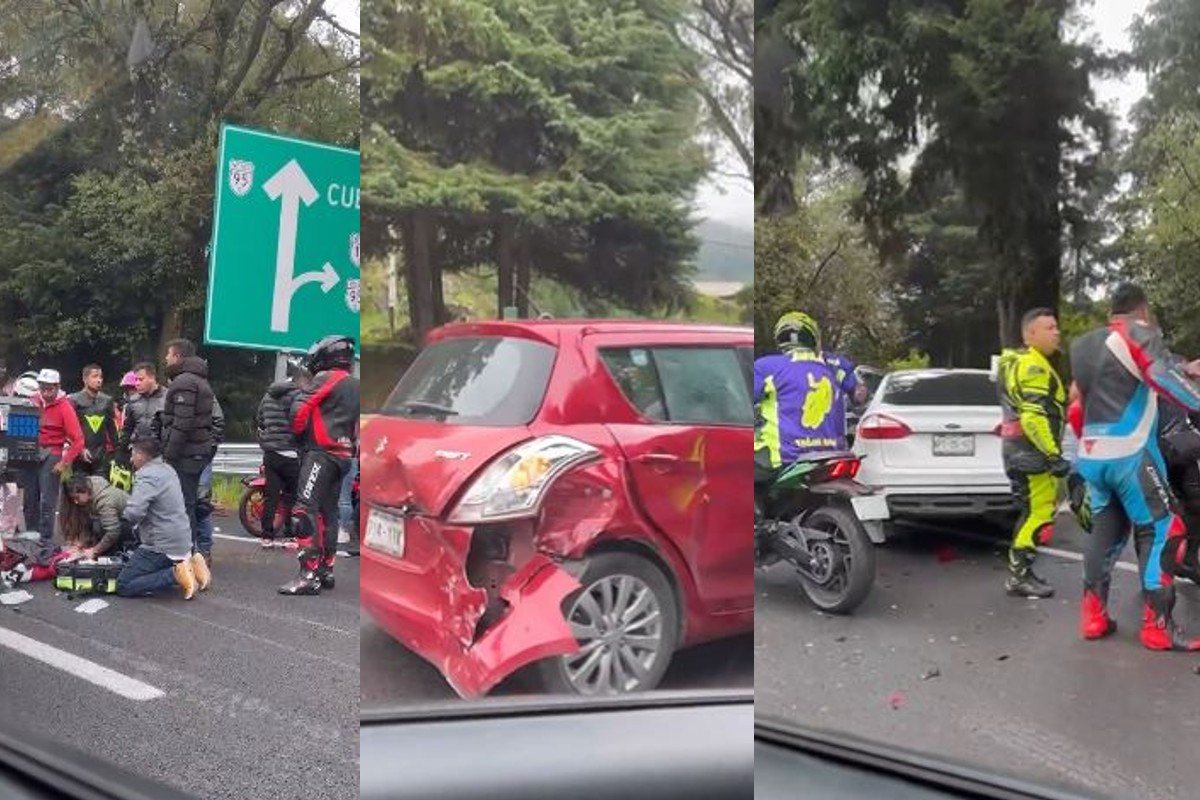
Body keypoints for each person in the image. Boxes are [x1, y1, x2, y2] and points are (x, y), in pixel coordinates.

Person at [1070, 283, 1200, 650]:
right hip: (1131, 453)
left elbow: (1076, 406)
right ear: (1142, 312)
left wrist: (1086, 448)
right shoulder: (1138, 332)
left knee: (1105, 532)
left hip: (1094, 454)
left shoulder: (1084, 346)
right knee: (1165, 528)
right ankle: (1157, 627)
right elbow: (1163, 378)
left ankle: (1093, 618)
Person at [996, 308, 1069, 599]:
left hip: (1019, 450)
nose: (1056, 332)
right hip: (1031, 453)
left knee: (1030, 512)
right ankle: (1019, 576)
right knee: (1038, 513)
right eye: (1049, 328)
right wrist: (1053, 455)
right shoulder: (1033, 366)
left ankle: (1021, 572)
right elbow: (1034, 416)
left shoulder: (1020, 363)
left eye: (1056, 327)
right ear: (1030, 334)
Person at [280, 335, 359, 595]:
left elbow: (299, 411)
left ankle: (308, 574)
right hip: (344, 457)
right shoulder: (355, 385)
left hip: (321, 454)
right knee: (329, 512)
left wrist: (298, 435)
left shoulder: (327, 378)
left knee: (304, 510)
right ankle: (326, 569)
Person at [753, 311, 853, 473]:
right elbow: (860, 397)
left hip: (783, 459)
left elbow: (742, 400)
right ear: (813, 339)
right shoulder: (835, 368)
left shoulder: (766, 367)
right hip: (833, 456)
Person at [116, 437, 209, 599]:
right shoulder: (168, 469)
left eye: (133, 454)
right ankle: (194, 563)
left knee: (124, 584)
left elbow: (134, 513)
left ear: (141, 456)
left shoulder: (146, 476)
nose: (131, 459)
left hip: (162, 545)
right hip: (183, 539)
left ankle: (175, 574)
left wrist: (122, 513)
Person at [160, 339, 216, 564]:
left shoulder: (184, 382)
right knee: (188, 504)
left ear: (178, 356)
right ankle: (188, 553)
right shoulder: (198, 379)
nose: (166, 358)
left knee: (183, 506)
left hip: (185, 455)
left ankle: (184, 556)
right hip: (196, 451)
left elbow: (182, 423)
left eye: (168, 354)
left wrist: (169, 454)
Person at [27, 369, 85, 563]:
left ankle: (46, 542)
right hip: (30, 451)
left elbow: (78, 440)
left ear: (57, 387)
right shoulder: (33, 400)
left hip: (52, 453)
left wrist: (64, 461)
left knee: (47, 501)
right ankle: (30, 537)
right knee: (30, 499)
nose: (46, 393)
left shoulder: (64, 407)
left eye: (50, 389)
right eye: (43, 388)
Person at [255, 372, 302, 547]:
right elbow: (300, 420)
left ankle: (267, 536)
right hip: (291, 453)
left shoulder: (268, 395)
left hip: (271, 453)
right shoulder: (297, 395)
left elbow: (259, 419)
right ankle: (290, 535)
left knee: (271, 496)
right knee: (292, 497)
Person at [60, 472, 132, 560]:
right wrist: (81, 543)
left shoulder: (105, 501)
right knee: (96, 525)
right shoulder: (91, 493)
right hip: (119, 523)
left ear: (85, 491)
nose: (76, 502)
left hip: (131, 526)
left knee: (100, 527)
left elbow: (113, 531)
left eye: (77, 497)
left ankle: (115, 555)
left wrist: (95, 550)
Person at [69, 364, 119, 479]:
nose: (99, 380)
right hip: (80, 455)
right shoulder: (74, 400)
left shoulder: (107, 400)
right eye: (95, 376)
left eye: (100, 377)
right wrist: (79, 448)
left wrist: (117, 453)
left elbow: (112, 430)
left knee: (101, 490)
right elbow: (69, 429)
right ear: (85, 379)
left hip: (101, 456)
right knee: (80, 491)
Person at [118, 362, 167, 462]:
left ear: (152, 378)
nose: (137, 383)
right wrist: (122, 453)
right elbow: (127, 430)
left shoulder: (168, 398)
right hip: (139, 454)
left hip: (161, 454)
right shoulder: (133, 400)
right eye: (136, 380)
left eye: (140, 379)